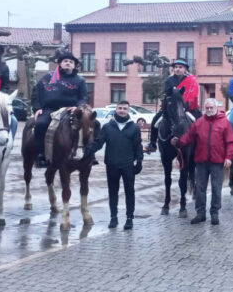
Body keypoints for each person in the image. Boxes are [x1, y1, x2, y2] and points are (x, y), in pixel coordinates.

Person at [171, 98, 233, 226]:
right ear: (204, 109)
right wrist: (178, 142)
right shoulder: (199, 123)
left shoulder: (224, 122)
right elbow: (189, 137)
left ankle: (214, 213)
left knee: (216, 188)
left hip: (217, 162)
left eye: (211, 107)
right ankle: (200, 213)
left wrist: (229, 157)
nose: (209, 110)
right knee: (200, 189)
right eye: (207, 108)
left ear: (216, 108)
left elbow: (231, 142)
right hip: (201, 162)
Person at [84, 101, 144, 230]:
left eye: (125, 109)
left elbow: (138, 145)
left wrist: (139, 161)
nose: (122, 110)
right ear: (116, 110)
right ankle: (113, 217)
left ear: (128, 111)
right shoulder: (107, 127)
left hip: (128, 165)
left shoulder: (134, 128)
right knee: (113, 192)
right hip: (112, 164)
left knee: (130, 192)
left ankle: (129, 218)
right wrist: (86, 151)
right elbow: (98, 143)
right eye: (120, 108)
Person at [31, 51, 89, 168]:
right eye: (65, 61)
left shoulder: (80, 80)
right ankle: (41, 155)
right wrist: (37, 108)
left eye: (71, 62)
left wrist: (78, 107)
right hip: (50, 109)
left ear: (74, 65)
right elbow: (36, 92)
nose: (68, 63)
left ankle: (88, 153)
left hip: (70, 110)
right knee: (41, 124)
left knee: (94, 123)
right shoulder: (48, 77)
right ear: (60, 64)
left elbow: (84, 97)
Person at [146, 59, 200, 152]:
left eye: (180, 67)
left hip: (188, 108)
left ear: (185, 69)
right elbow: (168, 93)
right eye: (176, 67)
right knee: (155, 120)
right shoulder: (169, 80)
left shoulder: (192, 80)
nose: (177, 69)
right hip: (171, 108)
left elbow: (193, 94)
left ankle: (200, 145)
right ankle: (152, 144)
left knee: (200, 120)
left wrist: (185, 106)